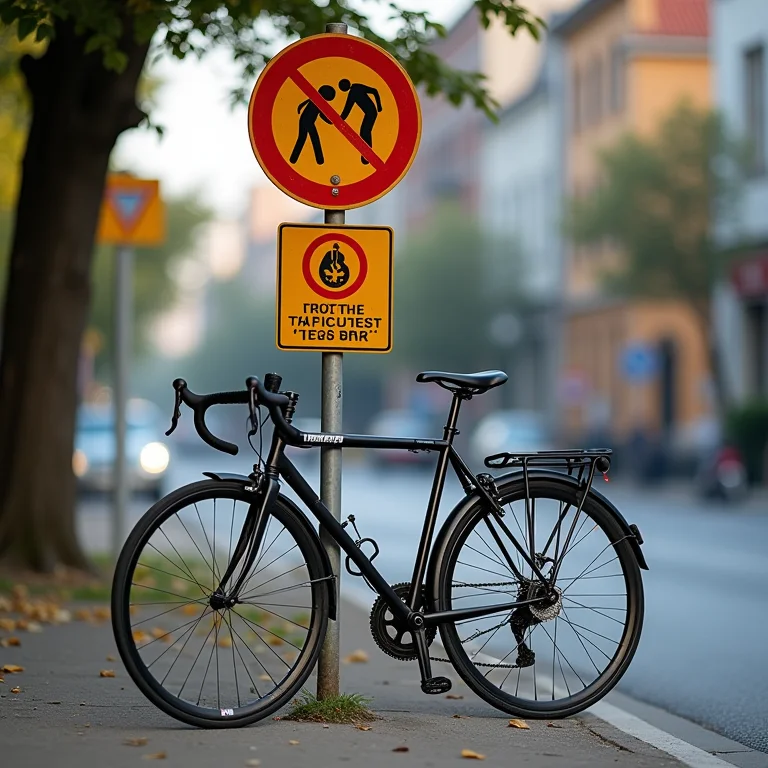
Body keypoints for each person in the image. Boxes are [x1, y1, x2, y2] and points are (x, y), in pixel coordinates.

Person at [338, 78, 382, 165]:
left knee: (365, 132)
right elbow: (347, 110)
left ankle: (368, 155)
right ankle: (367, 155)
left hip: (371, 113)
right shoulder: (355, 88)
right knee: (364, 132)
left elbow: (374, 91)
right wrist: (338, 120)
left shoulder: (354, 91)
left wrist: (379, 106)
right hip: (370, 113)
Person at [289, 84, 336, 165]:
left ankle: (293, 159)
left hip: (306, 121)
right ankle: (319, 160)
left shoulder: (316, 100)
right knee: (314, 139)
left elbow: (304, 104)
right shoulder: (318, 102)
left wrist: (299, 108)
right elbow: (322, 114)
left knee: (303, 139)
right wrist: (331, 122)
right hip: (307, 122)